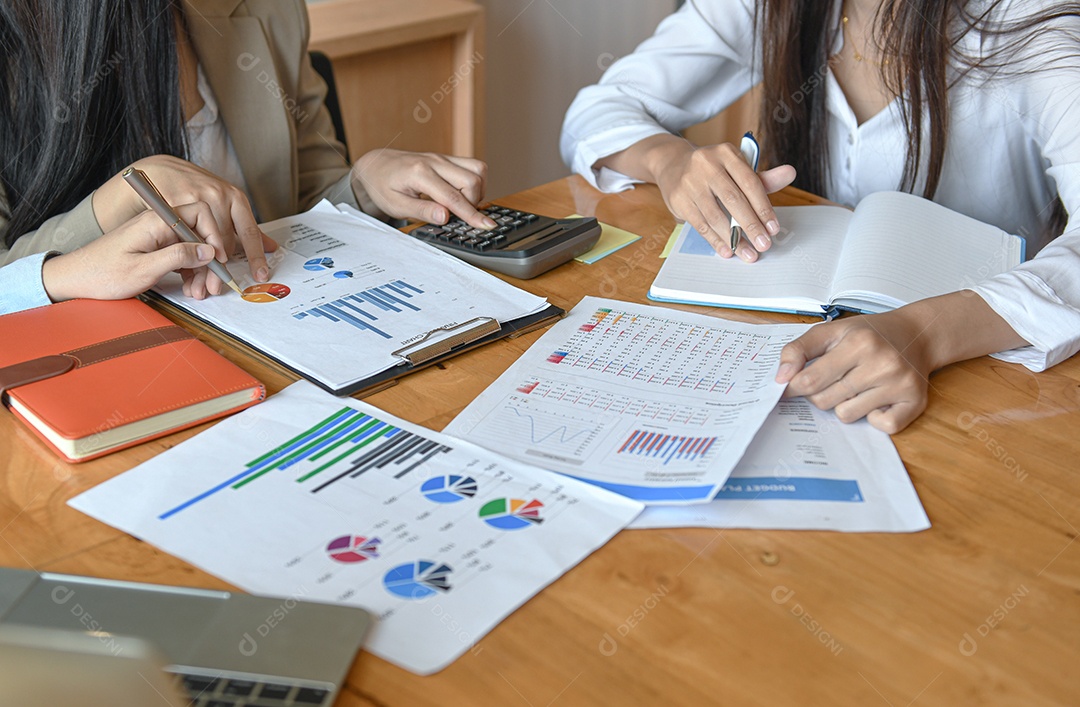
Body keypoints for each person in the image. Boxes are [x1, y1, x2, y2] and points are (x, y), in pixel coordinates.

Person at [561, 0, 1080, 433]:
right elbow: (596, 112)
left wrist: (925, 332)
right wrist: (668, 160)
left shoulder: (1033, 25)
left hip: (994, 382)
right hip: (803, 355)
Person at [0, 0, 495, 309]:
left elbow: (300, 202)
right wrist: (125, 196)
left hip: (270, 330)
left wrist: (363, 183)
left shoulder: (269, 9)